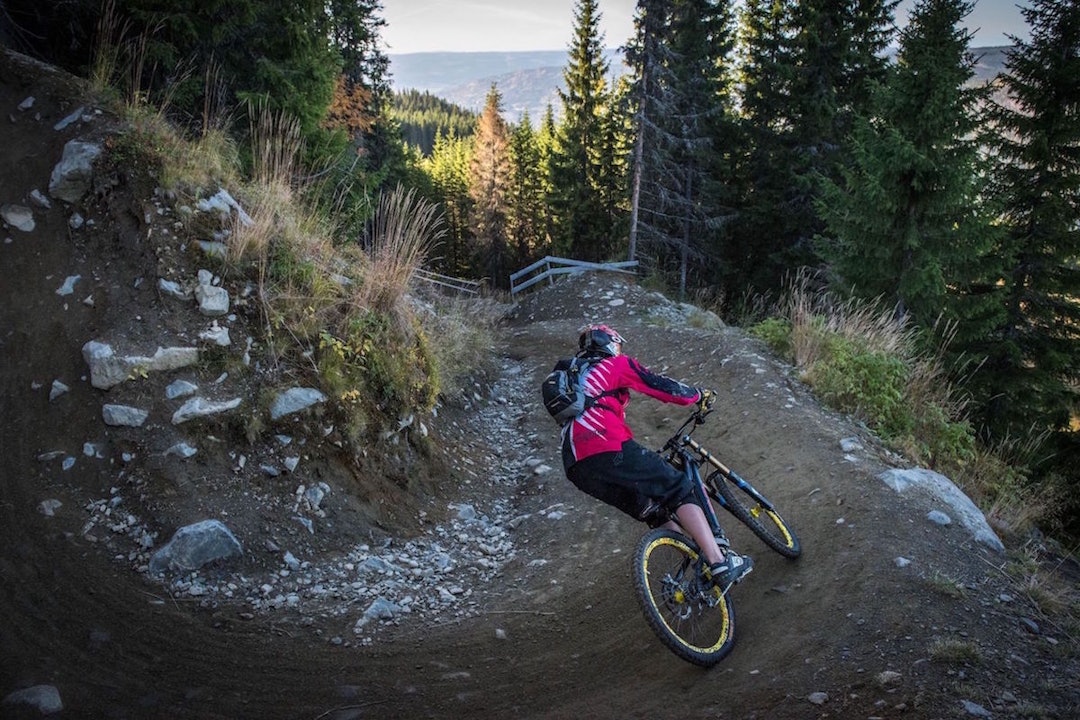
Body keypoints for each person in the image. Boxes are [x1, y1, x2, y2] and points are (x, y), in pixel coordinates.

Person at [557, 323, 752, 590]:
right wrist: (698, 396)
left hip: (575, 466)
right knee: (681, 488)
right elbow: (660, 386)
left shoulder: (573, 378)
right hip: (607, 446)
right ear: (610, 344)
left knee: (655, 512)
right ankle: (719, 562)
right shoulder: (614, 365)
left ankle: (698, 568)